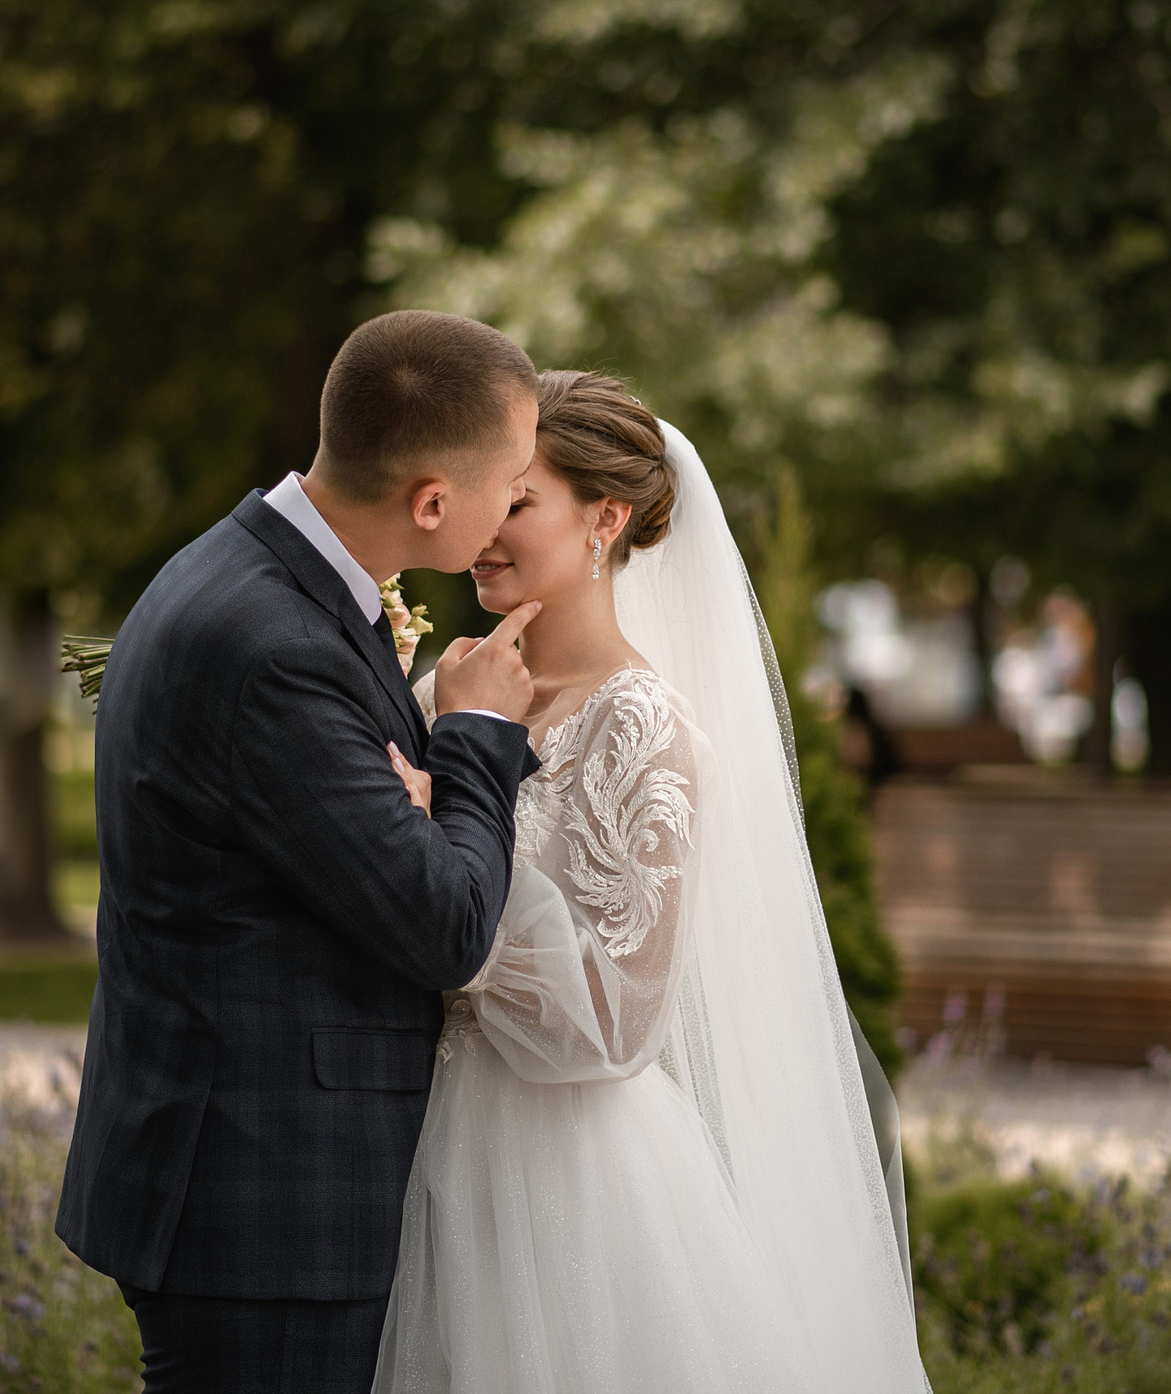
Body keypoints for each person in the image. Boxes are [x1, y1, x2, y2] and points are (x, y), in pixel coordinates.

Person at [374, 372, 929, 1393]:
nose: (484, 525)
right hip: (399, 1131)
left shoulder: (644, 728)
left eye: (518, 500)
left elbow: (613, 1023)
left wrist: (445, 829)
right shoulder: (439, 685)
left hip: (552, 1172)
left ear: (607, 519)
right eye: (482, 493)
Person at [57, 310, 550, 1394]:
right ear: (431, 500)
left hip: (242, 1165)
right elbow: (447, 926)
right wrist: (476, 736)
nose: (513, 502)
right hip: (265, 1200)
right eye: (507, 479)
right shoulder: (271, 646)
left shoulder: (251, 572)